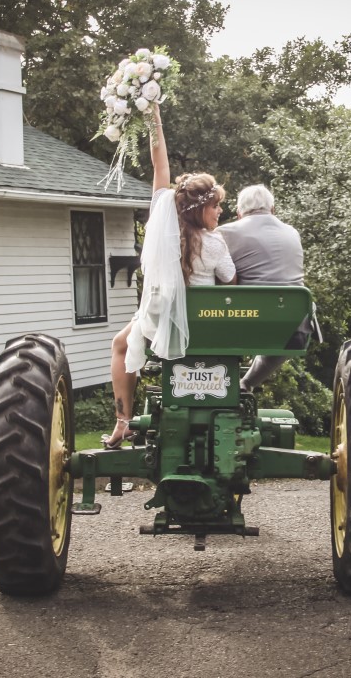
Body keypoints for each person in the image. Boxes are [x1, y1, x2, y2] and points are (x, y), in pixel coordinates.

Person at [104, 105, 236, 448]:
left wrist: (152, 113)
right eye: (216, 206)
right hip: (208, 324)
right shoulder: (216, 245)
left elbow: (158, 160)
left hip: (162, 321)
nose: (221, 211)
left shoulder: (165, 225)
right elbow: (230, 279)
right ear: (200, 209)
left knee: (121, 346)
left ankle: (123, 420)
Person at [217, 184, 313, 392]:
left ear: (239, 213)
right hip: (293, 325)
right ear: (273, 209)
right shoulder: (292, 232)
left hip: (242, 320)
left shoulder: (224, 233)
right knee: (277, 332)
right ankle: (247, 383)